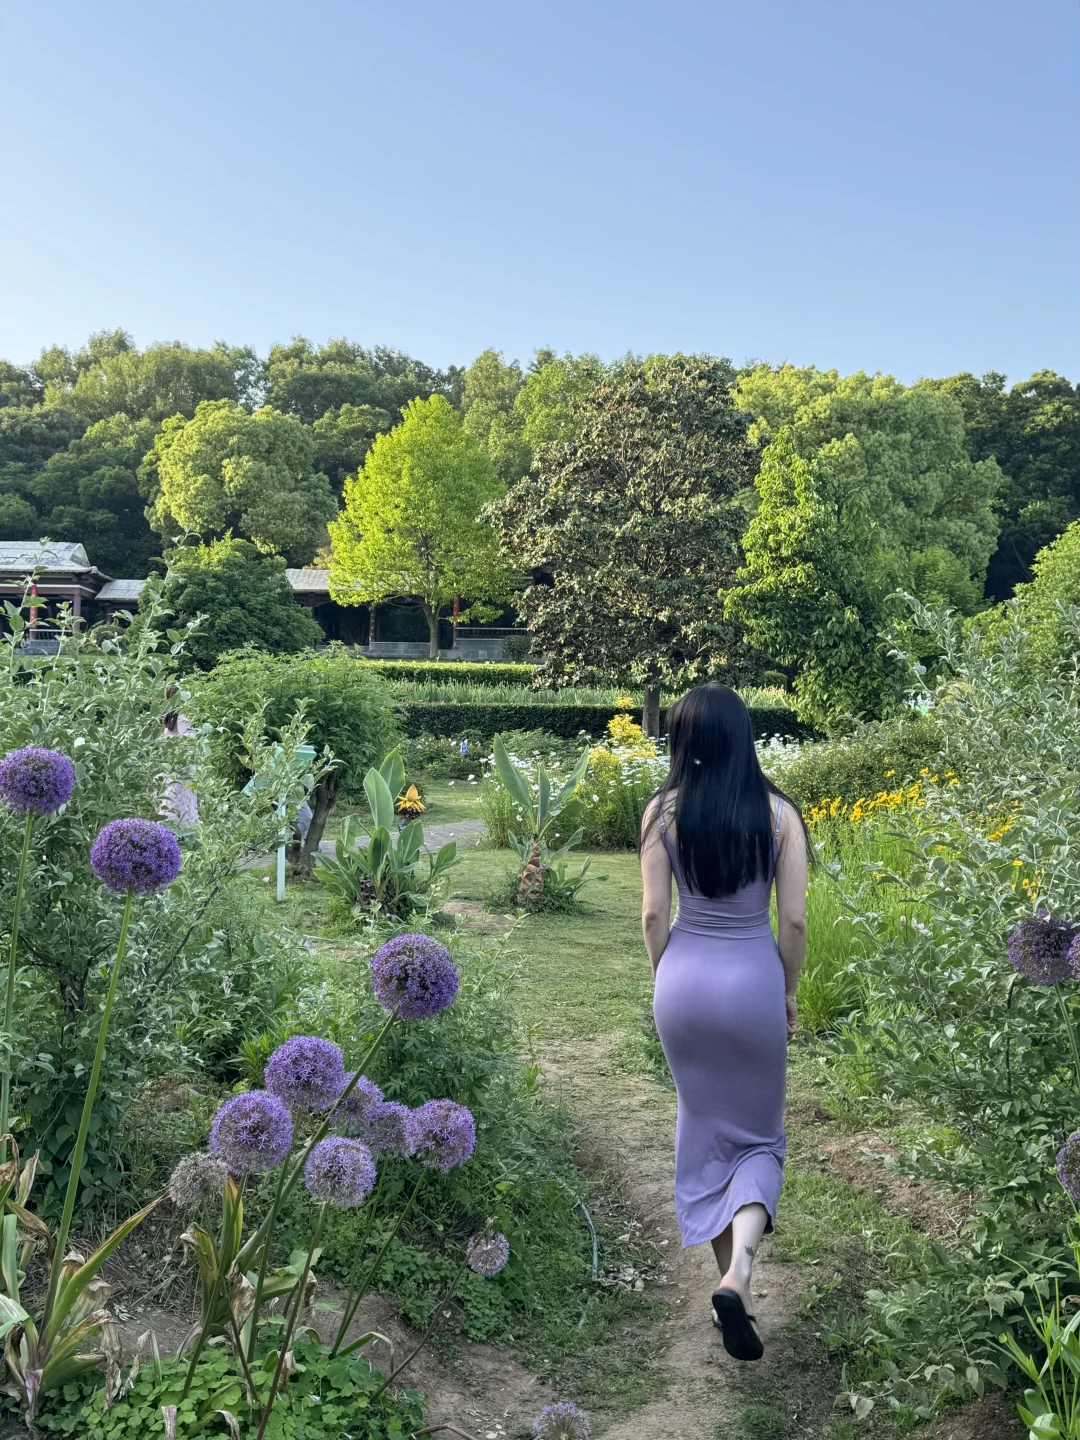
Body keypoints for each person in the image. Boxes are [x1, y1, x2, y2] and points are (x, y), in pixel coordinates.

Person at [640, 684, 809, 1362]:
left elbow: (654, 914)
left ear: (683, 742)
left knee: (702, 1130)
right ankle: (738, 1273)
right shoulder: (779, 816)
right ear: (745, 738)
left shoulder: (661, 813)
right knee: (759, 1140)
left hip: (684, 978)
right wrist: (787, 991)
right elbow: (792, 920)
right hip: (752, 984)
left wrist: (665, 977)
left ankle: (726, 1283)